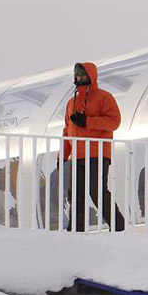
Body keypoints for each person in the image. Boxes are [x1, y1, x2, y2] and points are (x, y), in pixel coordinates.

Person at [61, 61, 125, 231]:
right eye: (77, 75)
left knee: (97, 192)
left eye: (82, 74)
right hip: (77, 155)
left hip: (97, 153)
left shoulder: (104, 97)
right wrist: (63, 154)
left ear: (91, 75)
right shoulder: (70, 103)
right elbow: (67, 131)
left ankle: (118, 227)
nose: (79, 77)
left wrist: (88, 122)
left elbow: (114, 121)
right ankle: (76, 229)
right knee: (75, 193)